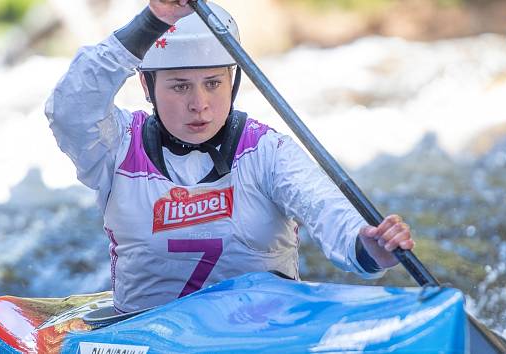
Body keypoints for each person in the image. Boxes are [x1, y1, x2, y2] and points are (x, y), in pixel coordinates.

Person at [45, 0, 415, 314]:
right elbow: (69, 108)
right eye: (179, 86)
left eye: (213, 83)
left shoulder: (267, 152)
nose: (199, 104)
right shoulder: (116, 148)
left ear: (233, 81)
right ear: (147, 86)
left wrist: (367, 245)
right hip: (147, 337)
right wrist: (152, 20)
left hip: (259, 333)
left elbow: (323, 208)